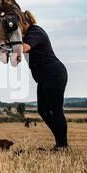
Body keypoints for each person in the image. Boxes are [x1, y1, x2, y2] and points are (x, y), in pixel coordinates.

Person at [22, 10, 69, 151]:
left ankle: (62, 144)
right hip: (44, 77)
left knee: (56, 110)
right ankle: (60, 141)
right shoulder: (28, 34)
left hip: (53, 74)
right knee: (42, 110)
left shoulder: (35, 32)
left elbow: (24, 48)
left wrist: (10, 47)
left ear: (25, 23)